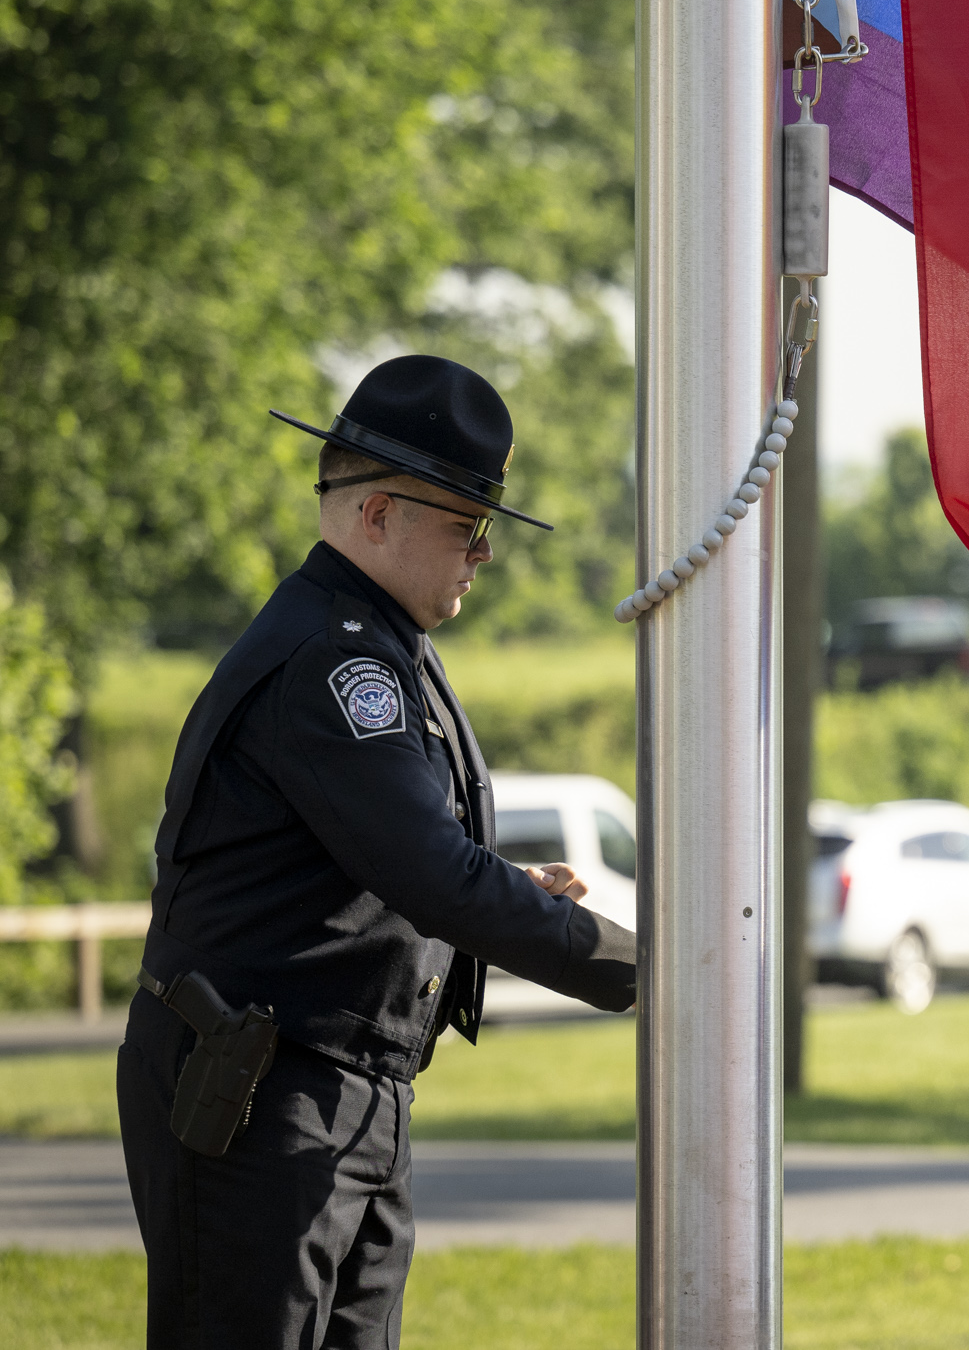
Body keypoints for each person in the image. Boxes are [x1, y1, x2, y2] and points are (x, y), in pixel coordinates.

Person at [120, 355, 639, 1348]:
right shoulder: (334, 661)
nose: (485, 551)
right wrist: (642, 967)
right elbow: (433, 876)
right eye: (466, 524)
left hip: (332, 1088)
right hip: (261, 1090)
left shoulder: (379, 645)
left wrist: (507, 889)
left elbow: (391, 854)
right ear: (376, 514)